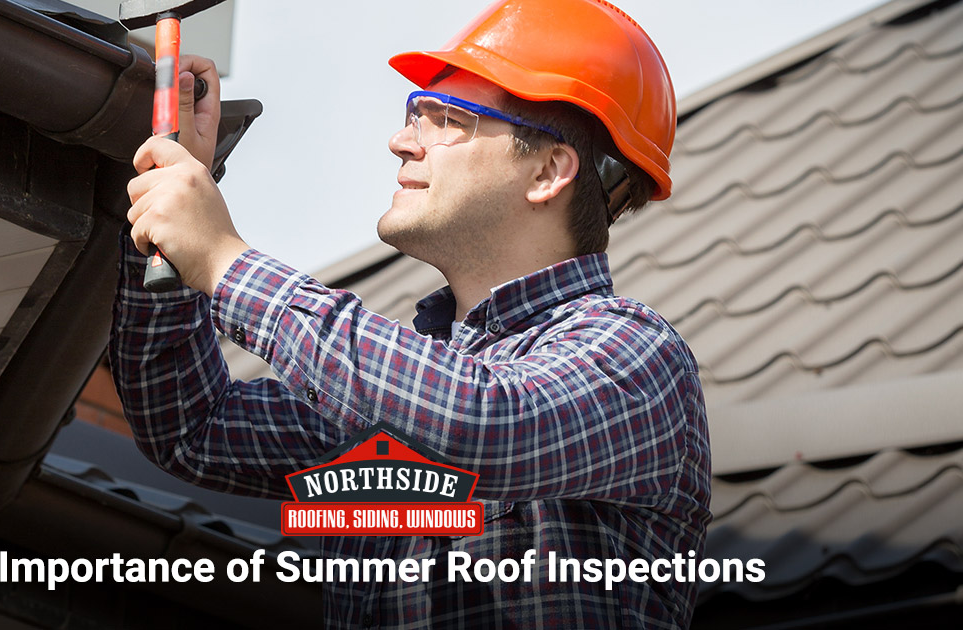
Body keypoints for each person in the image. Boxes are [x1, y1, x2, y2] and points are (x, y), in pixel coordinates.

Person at [111, 0, 710, 627]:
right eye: (411, 115)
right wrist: (171, 230)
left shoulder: (637, 358)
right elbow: (191, 426)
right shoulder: (397, 385)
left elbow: (479, 426)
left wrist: (226, 263)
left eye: (443, 118)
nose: (401, 141)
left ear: (548, 170)